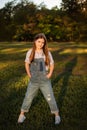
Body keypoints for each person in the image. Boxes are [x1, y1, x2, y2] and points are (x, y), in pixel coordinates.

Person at [18, 33, 61, 125]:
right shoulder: (30, 52)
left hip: (44, 80)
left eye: (43, 42)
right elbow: (26, 63)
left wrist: (50, 74)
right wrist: (29, 74)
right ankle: (22, 114)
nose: (41, 44)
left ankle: (56, 114)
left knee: (50, 97)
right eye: (39, 42)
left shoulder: (46, 53)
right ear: (35, 41)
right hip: (34, 80)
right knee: (28, 97)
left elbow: (52, 64)